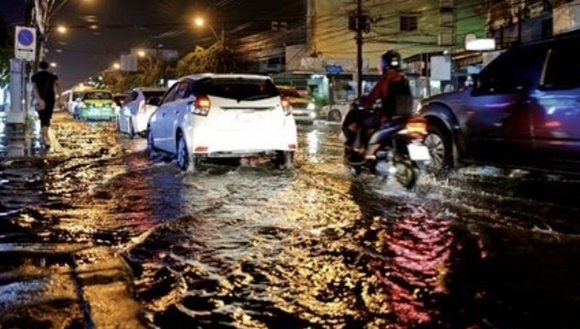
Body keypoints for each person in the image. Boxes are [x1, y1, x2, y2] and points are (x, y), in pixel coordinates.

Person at [344, 50, 412, 162]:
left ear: (384, 64)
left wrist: (361, 102)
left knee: (362, 124)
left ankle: (362, 152)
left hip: (387, 119)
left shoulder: (385, 81)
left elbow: (371, 99)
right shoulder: (404, 80)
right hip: (405, 118)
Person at [31, 60, 62, 149]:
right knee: (46, 118)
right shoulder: (52, 76)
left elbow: (35, 88)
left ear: (39, 67)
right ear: (48, 67)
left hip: (40, 100)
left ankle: (44, 136)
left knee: (43, 117)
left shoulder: (35, 76)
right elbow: (59, 86)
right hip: (50, 100)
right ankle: (45, 137)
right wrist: (60, 98)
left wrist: (39, 99)